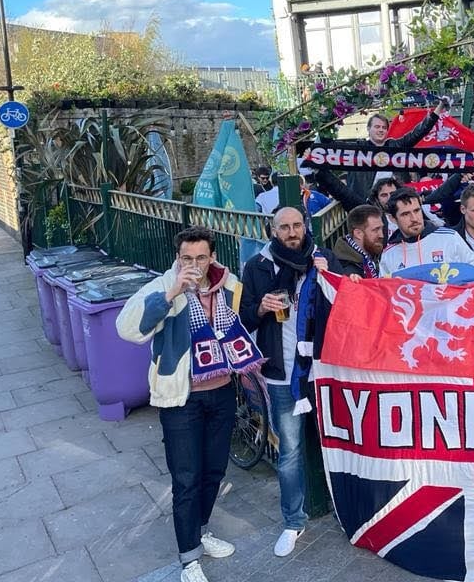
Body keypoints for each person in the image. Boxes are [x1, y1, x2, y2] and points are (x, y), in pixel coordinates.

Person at [117, 227, 263, 582]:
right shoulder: (162, 287)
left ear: (211, 256)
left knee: (214, 471)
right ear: (177, 258)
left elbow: (240, 329)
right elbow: (128, 329)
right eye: (187, 258)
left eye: (201, 258)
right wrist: (172, 293)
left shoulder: (227, 285)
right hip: (181, 398)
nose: (194, 266)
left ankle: (200, 531)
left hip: (222, 392)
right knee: (186, 478)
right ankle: (188, 558)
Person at [239, 206, 340, 558]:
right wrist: (262, 309)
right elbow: (244, 319)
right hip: (283, 376)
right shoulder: (258, 266)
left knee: (338, 444)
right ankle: (292, 521)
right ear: (272, 229)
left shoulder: (322, 257)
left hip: (325, 369)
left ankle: (344, 509)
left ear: (305, 226)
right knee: (291, 451)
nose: (292, 231)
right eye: (284, 227)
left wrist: (330, 281)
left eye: (297, 225)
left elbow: (347, 306)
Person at [344, 99, 449, 199]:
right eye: (377, 127)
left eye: (384, 128)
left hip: (396, 201)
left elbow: (419, 131)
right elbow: (335, 150)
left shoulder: (396, 146)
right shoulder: (358, 149)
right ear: (368, 129)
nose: (381, 130)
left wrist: (439, 108)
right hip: (369, 204)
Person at [379, 186, 474, 276]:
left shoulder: (450, 238)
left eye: (417, 210)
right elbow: (383, 293)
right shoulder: (389, 255)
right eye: (406, 214)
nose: (414, 218)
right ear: (393, 219)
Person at [332, 204, 385, 277]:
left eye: (382, 228)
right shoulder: (347, 271)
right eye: (375, 230)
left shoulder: (370, 253)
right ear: (358, 233)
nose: (381, 235)